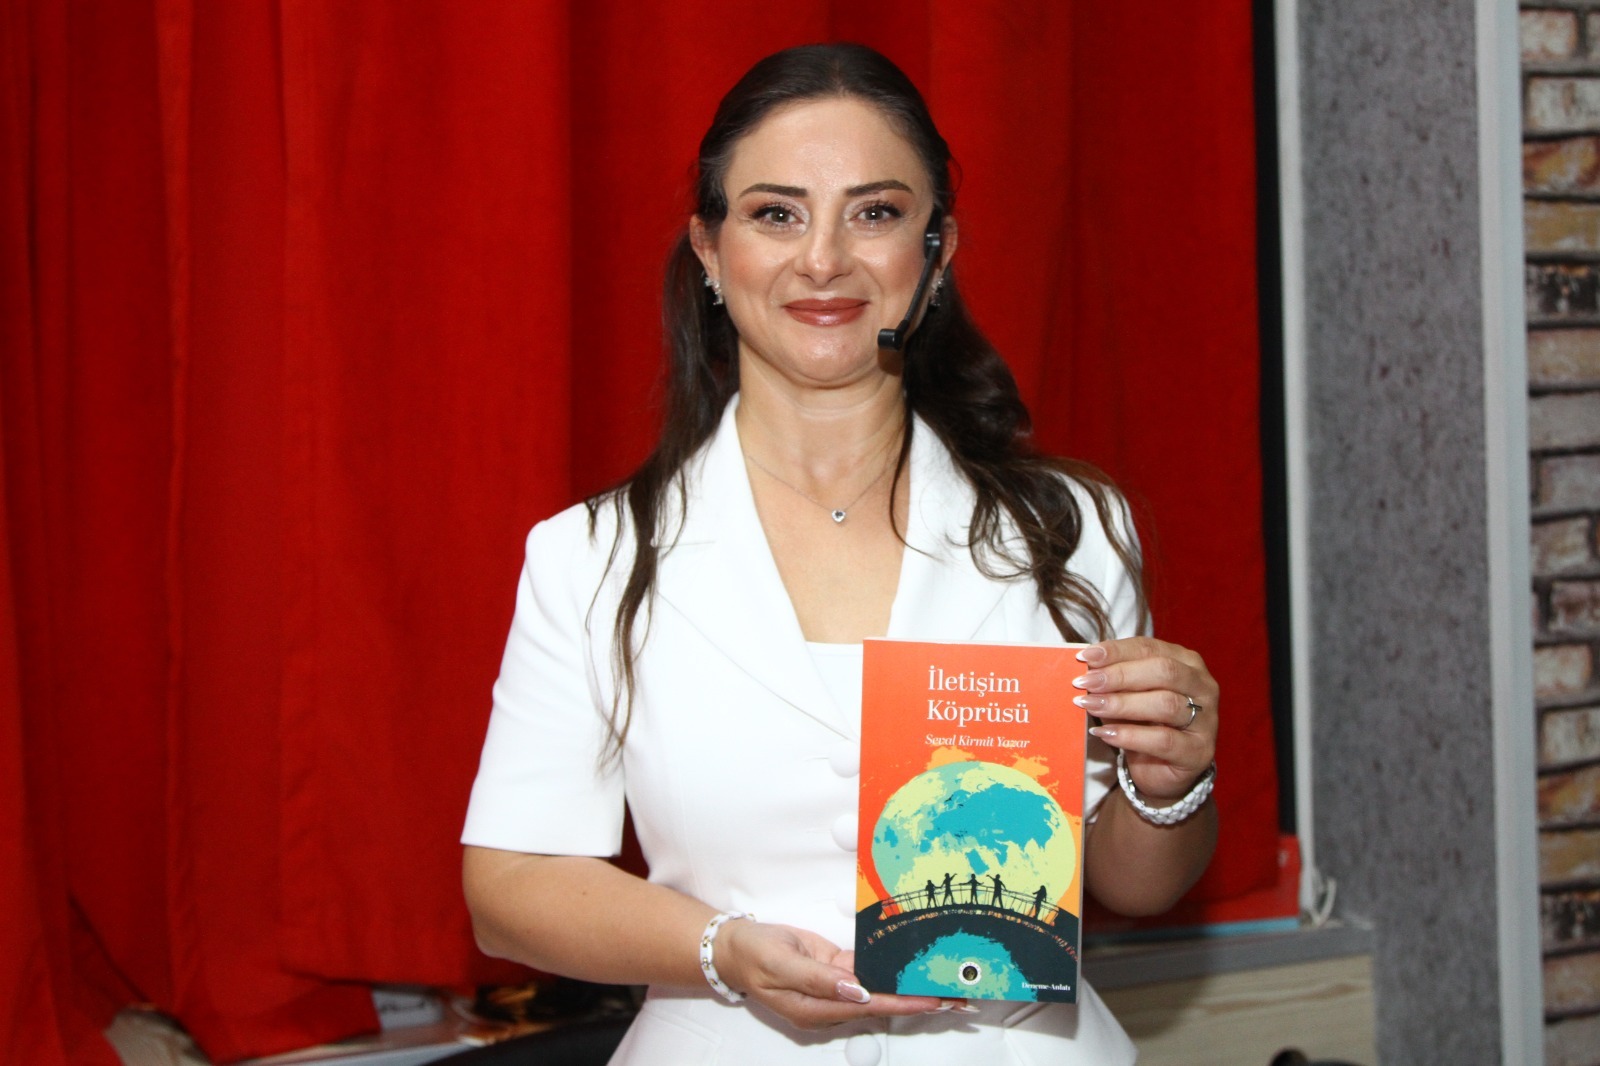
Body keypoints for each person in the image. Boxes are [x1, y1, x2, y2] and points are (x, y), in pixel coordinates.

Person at [461, 42, 1219, 1066]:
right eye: (776, 214)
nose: (823, 259)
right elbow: (509, 887)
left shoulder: (1068, 527)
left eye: (875, 213)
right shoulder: (591, 557)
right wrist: (719, 950)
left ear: (935, 252)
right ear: (709, 248)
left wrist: (1170, 782)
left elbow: (1133, 883)